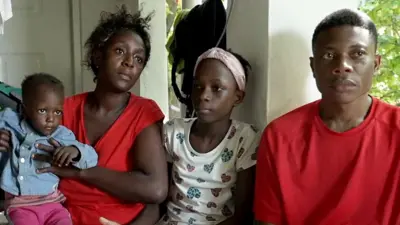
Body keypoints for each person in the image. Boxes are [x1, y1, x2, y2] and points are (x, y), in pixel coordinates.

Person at [0, 6, 168, 225]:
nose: (129, 62)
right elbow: (19, 153)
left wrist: (81, 173)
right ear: (98, 56)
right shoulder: (62, 111)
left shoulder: (143, 112)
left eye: (138, 58)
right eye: (120, 51)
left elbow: (155, 190)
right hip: (58, 217)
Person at [254, 8, 400, 225]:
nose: (342, 66)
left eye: (358, 54)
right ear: (313, 67)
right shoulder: (280, 136)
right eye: (329, 55)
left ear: (376, 64)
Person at [157, 47, 259, 225]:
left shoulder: (244, 139)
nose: (203, 95)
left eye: (217, 88)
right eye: (198, 86)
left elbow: (243, 213)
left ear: (238, 97)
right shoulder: (173, 132)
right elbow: (159, 196)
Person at [0, 73, 98, 225]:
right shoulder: (9, 122)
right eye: (42, 110)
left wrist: (75, 151)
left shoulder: (61, 134)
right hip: (20, 206)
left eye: (57, 112)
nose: (51, 119)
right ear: (25, 109)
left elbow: (92, 157)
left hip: (53, 204)